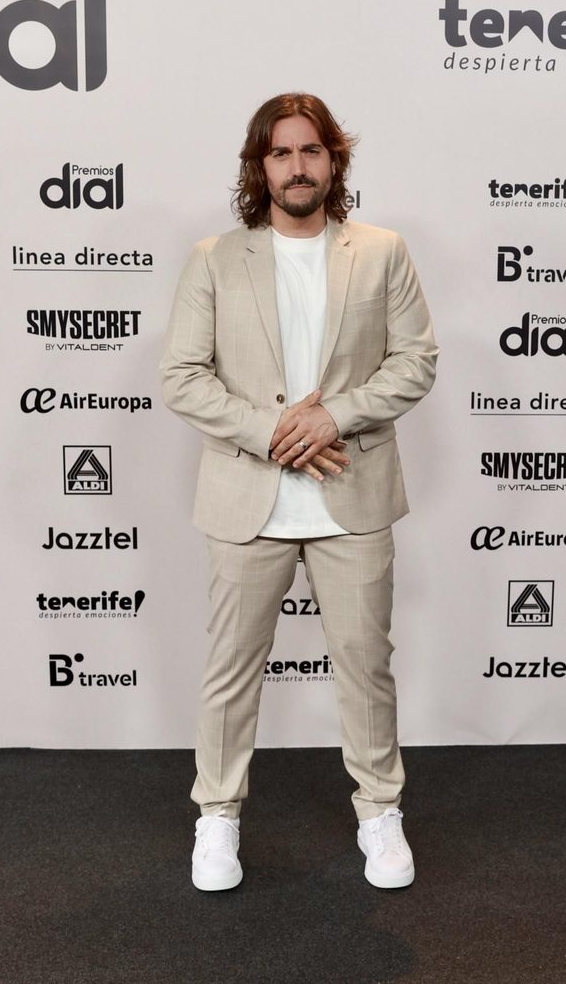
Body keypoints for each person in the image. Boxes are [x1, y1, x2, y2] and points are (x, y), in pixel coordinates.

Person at [159, 92, 439, 891]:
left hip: (353, 494)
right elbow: (182, 376)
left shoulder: (381, 251)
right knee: (230, 670)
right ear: (261, 166)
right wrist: (275, 430)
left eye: (311, 150)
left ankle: (379, 812)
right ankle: (218, 816)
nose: (297, 166)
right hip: (248, 496)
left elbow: (415, 360)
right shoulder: (215, 258)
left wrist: (334, 417)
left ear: (333, 160)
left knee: (365, 666)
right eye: (280, 152)